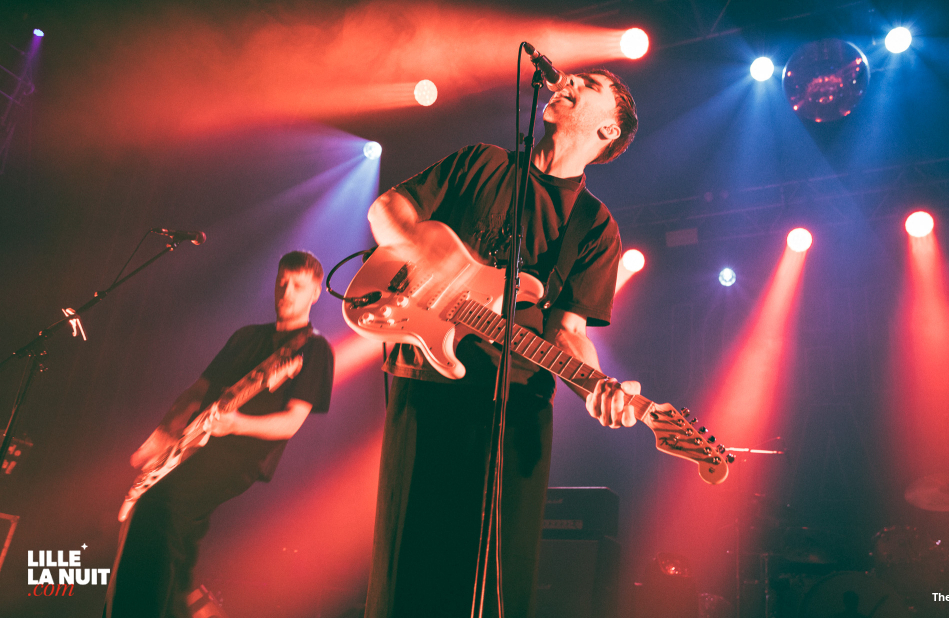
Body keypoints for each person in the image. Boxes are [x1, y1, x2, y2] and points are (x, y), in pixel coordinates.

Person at [365, 68, 640, 617]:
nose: (567, 80)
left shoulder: (594, 226)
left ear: (608, 131)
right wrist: (424, 248)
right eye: (571, 76)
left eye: (587, 83)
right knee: (408, 560)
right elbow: (386, 211)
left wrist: (600, 386)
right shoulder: (482, 163)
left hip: (517, 402)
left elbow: (568, 331)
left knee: (493, 575)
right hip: (424, 375)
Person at [105, 251, 335, 618]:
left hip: (240, 455)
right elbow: (198, 390)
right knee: (143, 521)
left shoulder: (313, 349)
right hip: (192, 445)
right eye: (282, 282)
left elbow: (291, 422)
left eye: (298, 285)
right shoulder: (245, 337)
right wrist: (166, 430)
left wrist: (237, 424)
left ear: (316, 292)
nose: (286, 292)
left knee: (162, 507)